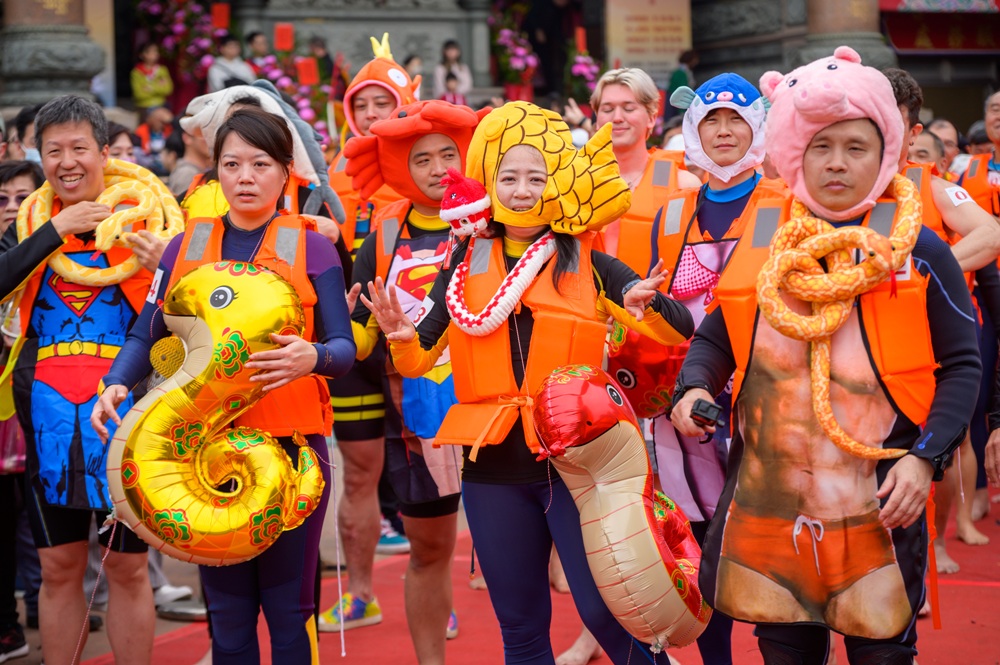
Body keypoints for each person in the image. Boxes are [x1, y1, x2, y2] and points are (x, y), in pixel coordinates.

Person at [670, 47, 980, 663]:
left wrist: (925, 461)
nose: (837, 163)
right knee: (784, 651)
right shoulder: (764, 236)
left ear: (885, 150)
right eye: (821, 146)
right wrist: (695, 387)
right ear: (795, 153)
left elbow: (963, 366)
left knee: (883, 654)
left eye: (855, 146)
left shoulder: (917, 248)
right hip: (770, 509)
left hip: (880, 504)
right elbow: (720, 334)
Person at [362, 101, 694, 664]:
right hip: (493, 470)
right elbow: (420, 359)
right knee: (519, 628)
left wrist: (648, 301)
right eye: (509, 177)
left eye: (536, 177)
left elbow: (677, 329)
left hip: (581, 471)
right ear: (490, 181)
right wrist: (397, 333)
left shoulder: (591, 263)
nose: (521, 190)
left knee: (610, 619)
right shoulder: (465, 261)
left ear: (556, 185)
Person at [92, 106, 356, 664]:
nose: (245, 177)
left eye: (260, 164)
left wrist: (314, 355)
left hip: (294, 452)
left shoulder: (311, 246)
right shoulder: (183, 248)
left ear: (287, 172)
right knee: (229, 618)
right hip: (200, 456)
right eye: (231, 164)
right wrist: (115, 382)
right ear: (215, 172)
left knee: (289, 615)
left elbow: (345, 349)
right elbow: (145, 336)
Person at [0, 94, 167, 665]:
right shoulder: (26, 228)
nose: (67, 162)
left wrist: (166, 263)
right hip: (46, 421)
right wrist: (54, 230)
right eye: (53, 151)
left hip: (128, 420)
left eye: (79, 148)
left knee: (126, 566)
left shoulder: (150, 227)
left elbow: (194, 313)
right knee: (58, 566)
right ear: (38, 156)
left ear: (103, 152)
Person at [318, 99, 485, 659]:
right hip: (415, 411)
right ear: (401, 170)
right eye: (422, 160)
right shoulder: (386, 231)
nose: (438, 169)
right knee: (430, 550)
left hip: (493, 407)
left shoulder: (499, 217)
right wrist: (337, 345)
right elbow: (364, 331)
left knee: (516, 548)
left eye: (448, 155)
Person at [885, 68, 1000, 577]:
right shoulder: (823, 183)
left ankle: (932, 548)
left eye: (894, 119)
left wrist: (930, 269)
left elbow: (990, 233)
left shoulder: (929, 186)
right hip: (854, 354)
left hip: (925, 346)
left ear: (912, 131)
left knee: (941, 448)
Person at [325, 35, 423, 599]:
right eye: (360, 105)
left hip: (423, 343)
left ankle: (439, 588)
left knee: (438, 479)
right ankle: (359, 592)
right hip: (356, 340)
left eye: (380, 103)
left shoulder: (428, 167)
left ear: (404, 101)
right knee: (359, 471)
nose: (368, 115)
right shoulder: (331, 175)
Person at [590, 67, 702, 274]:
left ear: (651, 117)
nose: (617, 118)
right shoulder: (573, 182)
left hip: (655, 303)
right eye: (607, 109)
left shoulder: (684, 185)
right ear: (597, 119)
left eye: (629, 108)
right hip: (589, 303)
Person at [130, 43, 174, 118]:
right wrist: (159, 87)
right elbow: (139, 94)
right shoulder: (136, 72)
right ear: (142, 55)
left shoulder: (162, 70)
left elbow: (168, 89)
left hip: (161, 104)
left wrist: (151, 88)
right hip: (144, 106)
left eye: (156, 51)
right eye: (151, 52)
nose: (155, 54)